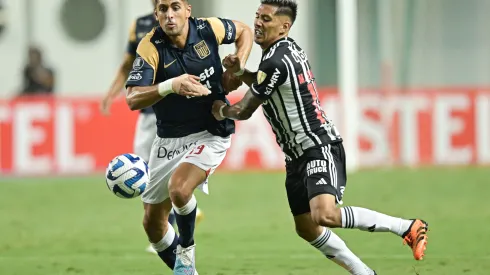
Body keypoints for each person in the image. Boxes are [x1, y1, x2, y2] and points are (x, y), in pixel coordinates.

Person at [212, 1, 428, 274]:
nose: (257, 23)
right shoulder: (283, 51)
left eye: (266, 19)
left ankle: (406, 227)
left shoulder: (276, 60)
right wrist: (242, 72)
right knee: (306, 227)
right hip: (296, 155)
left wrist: (219, 110)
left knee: (324, 214)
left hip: (317, 146)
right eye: (257, 16)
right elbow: (265, 81)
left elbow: (243, 110)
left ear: (284, 26)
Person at [125, 0, 253, 274]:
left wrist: (239, 62)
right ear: (156, 13)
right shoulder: (150, 46)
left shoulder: (209, 29)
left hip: (211, 130)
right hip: (169, 137)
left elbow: (244, 31)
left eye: (175, 7)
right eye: (163, 9)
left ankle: (186, 253)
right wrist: (171, 85)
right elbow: (133, 98)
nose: (169, 15)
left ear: (187, 9)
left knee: (180, 189)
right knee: (152, 224)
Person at [99, 0, 205, 255]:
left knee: (148, 170)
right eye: (162, 7)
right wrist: (112, 91)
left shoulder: (189, 27)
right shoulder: (140, 25)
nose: (168, 11)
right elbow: (128, 64)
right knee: (149, 169)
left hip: (172, 113)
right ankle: (181, 212)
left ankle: (168, 223)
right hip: (149, 111)